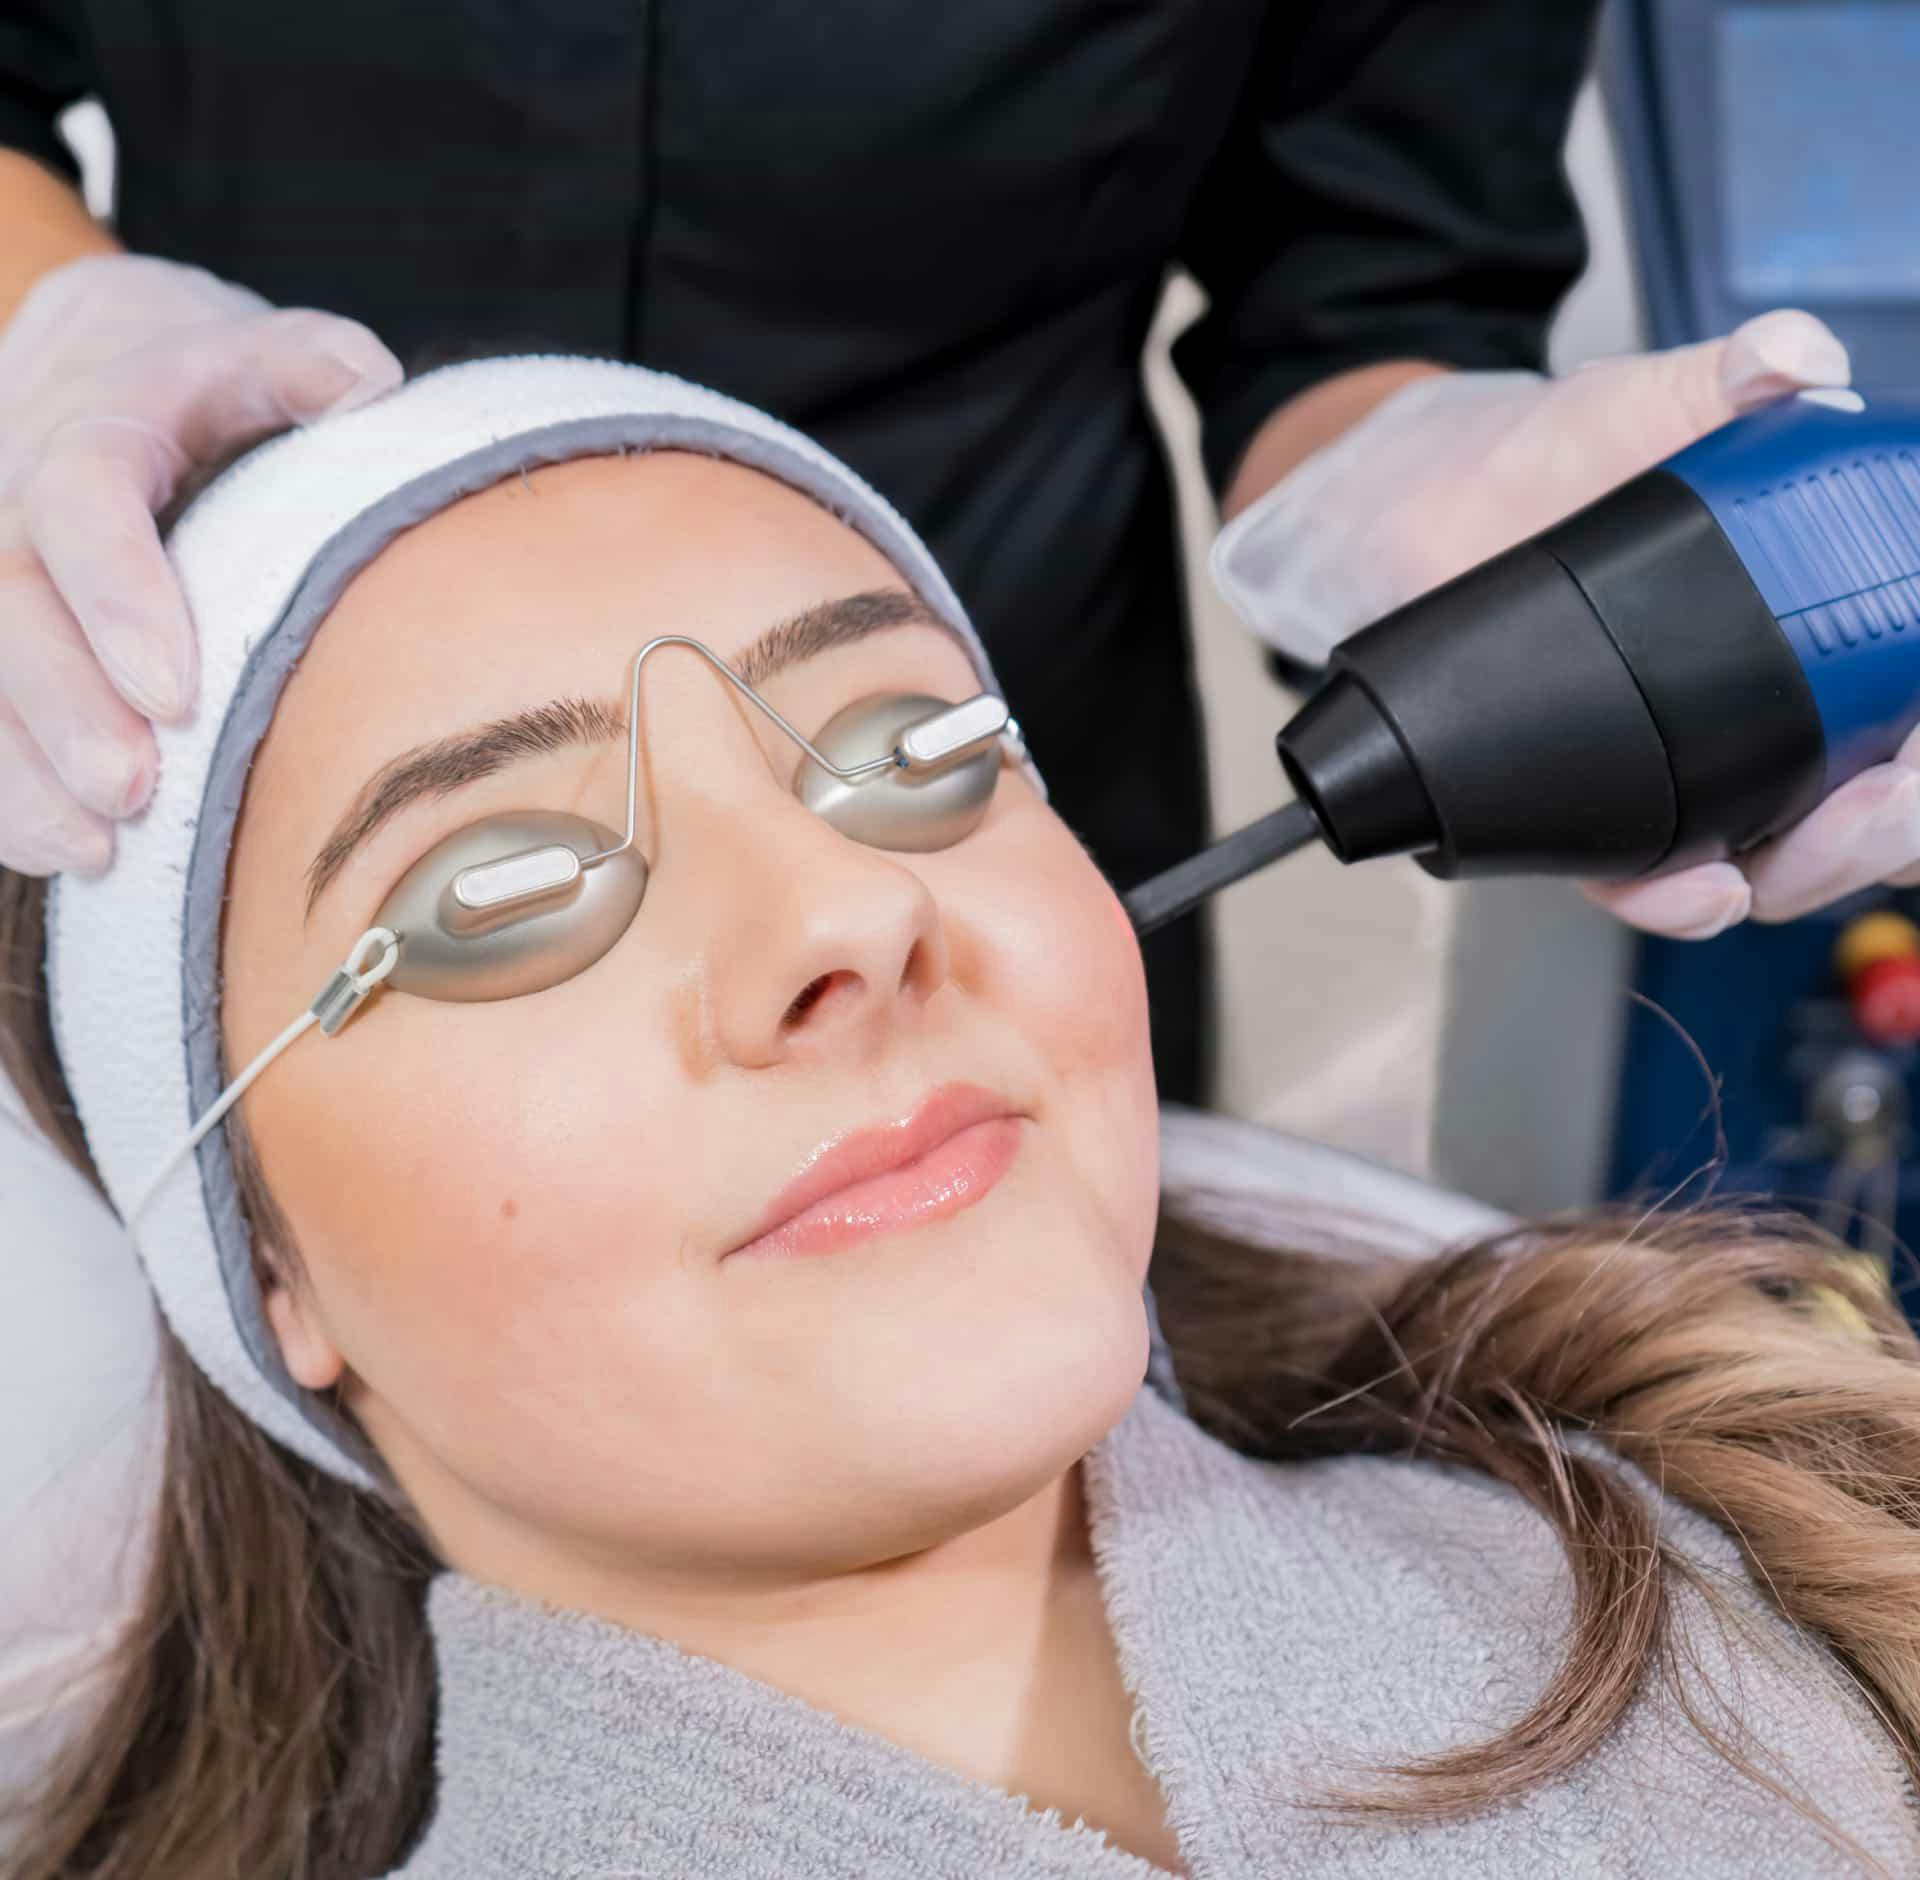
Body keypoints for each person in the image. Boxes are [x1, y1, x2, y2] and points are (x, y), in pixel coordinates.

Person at [4, 358, 1919, 1878]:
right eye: (503, 888)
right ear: (266, 1263)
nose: (851, 911)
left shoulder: (1787, 1551)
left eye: (915, 754)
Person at [8, 4, 1918, 1111]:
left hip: (1019, 660)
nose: (830, 933)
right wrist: (53, 327)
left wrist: (1419, 493)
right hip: (173, 703)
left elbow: (1370, 278)